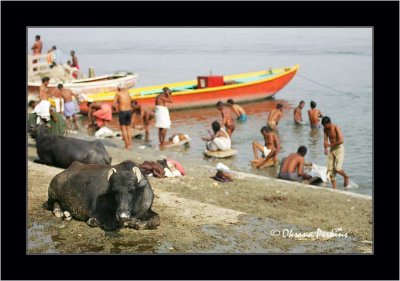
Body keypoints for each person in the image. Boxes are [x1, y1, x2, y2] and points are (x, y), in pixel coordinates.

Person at [322, 116, 350, 189]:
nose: (325, 127)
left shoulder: (336, 128)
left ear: (329, 123)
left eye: (325, 125)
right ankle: (334, 188)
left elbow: (341, 140)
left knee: (337, 168)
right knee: (330, 170)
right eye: (323, 126)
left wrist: (329, 145)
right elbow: (325, 139)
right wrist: (325, 148)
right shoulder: (325, 129)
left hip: (339, 149)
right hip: (332, 149)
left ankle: (346, 177)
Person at [113, 85, 133, 149]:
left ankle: (127, 145)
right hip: (129, 111)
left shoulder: (118, 94)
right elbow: (131, 100)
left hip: (123, 111)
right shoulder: (127, 92)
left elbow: (113, 104)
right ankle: (130, 144)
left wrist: (116, 109)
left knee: (123, 128)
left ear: (118, 88)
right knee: (129, 128)